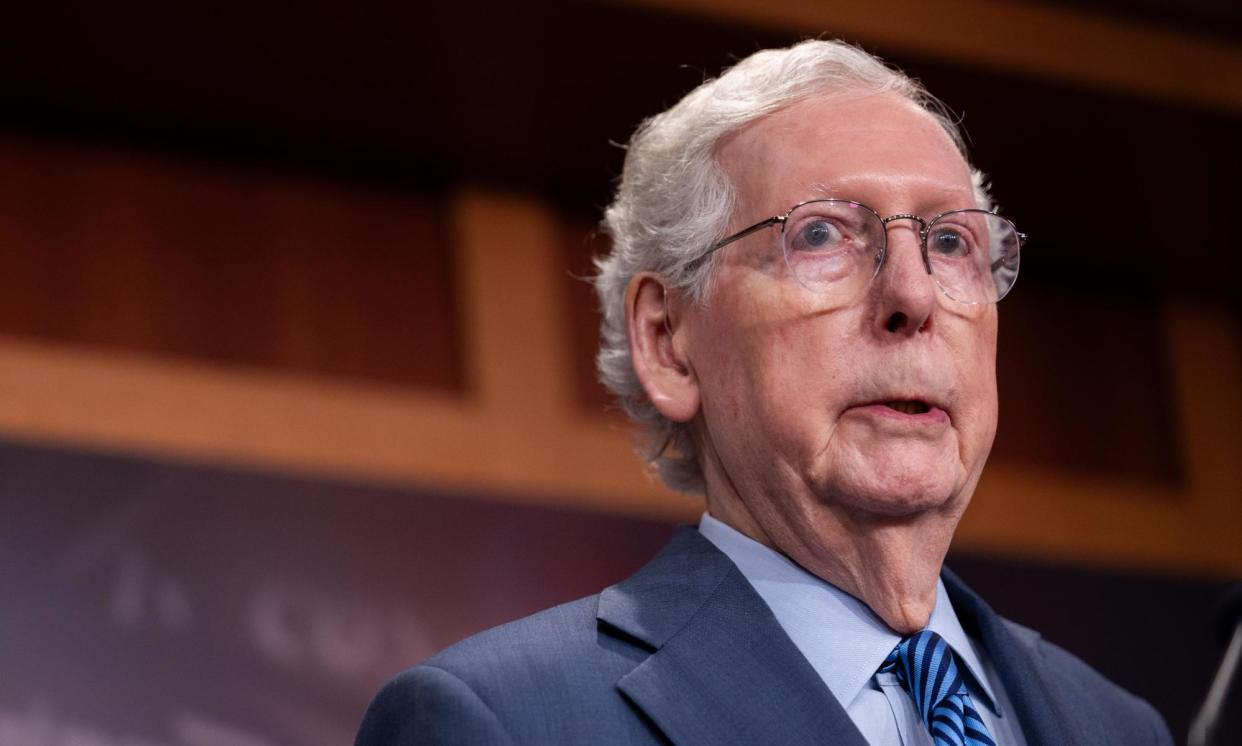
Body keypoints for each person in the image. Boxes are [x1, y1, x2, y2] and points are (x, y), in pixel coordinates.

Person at [356, 40, 1173, 745]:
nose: (914, 297)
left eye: (950, 241)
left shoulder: (1119, 726)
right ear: (669, 342)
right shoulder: (505, 723)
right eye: (822, 235)